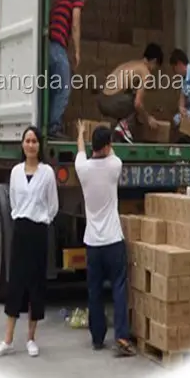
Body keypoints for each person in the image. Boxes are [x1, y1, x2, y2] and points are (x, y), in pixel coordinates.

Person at [0, 126, 59, 357]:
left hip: (38, 231)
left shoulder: (47, 173)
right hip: (20, 230)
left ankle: (31, 338)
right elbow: (14, 201)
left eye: (34, 141)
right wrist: (22, 216)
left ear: (40, 145)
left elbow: (53, 205)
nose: (30, 145)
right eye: (27, 141)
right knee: (16, 283)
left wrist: (43, 219)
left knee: (36, 284)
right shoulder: (16, 172)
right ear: (22, 144)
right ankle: (8, 339)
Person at [74, 120, 136, 356]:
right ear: (108, 145)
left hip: (93, 243)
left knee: (95, 291)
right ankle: (121, 337)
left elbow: (81, 150)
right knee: (118, 289)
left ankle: (97, 338)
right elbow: (112, 154)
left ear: (93, 145)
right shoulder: (114, 165)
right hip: (113, 240)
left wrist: (81, 133)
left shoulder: (83, 169)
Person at [48, 0, 93, 140]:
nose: (83, 4)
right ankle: (54, 127)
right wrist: (77, 52)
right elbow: (75, 25)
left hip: (48, 47)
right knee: (64, 88)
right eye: (85, 0)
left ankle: (49, 125)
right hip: (57, 47)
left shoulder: (59, 1)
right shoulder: (75, 0)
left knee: (53, 88)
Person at [97, 43, 164, 144]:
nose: (154, 70)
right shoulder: (145, 71)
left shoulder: (132, 64)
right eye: (156, 67)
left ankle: (118, 134)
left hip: (102, 99)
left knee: (132, 102)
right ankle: (123, 129)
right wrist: (148, 118)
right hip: (111, 101)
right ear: (154, 61)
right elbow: (137, 103)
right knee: (136, 103)